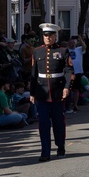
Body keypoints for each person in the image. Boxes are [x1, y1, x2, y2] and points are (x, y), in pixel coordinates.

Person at [29, 23, 73, 162]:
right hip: (42, 92)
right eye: (45, 35)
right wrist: (32, 93)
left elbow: (68, 71)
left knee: (58, 122)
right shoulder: (37, 51)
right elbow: (33, 74)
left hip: (57, 92)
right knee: (43, 123)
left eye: (50, 35)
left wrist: (67, 87)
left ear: (55, 36)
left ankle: (60, 146)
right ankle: (45, 151)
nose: (47, 38)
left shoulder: (63, 51)